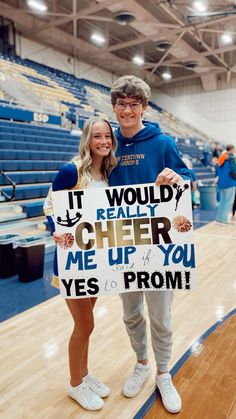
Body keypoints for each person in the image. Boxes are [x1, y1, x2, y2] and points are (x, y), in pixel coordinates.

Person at [109, 75, 192, 414]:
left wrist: (179, 177)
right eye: (121, 103)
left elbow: (188, 177)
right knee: (131, 314)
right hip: (121, 244)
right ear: (114, 107)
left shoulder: (163, 143)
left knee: (161, 316)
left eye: (134, 104)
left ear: (144, 107)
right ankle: (142, 362)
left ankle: (163, 372)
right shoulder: (105, 142)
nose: (127, 110)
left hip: (159, 245)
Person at [44, 117, 117, 411]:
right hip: (73, 262)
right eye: (97, 136)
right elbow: (49, 205)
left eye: (107, 136)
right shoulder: (70, 170)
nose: (103, 141)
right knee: (84, 323)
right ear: (87, 138)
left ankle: (84, 375)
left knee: (88, 324)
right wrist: (56, 229)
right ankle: (75, 384)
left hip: (96, 258)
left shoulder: (109, 173)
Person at [216, 144, 236, 224]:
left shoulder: (221, 158)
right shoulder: (231, 159)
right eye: (234, 149)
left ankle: (219, 219)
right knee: (228, 202)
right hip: (230, 183)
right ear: (231, 149)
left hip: (222, 183)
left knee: (222, 201)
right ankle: (224, 220)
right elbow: (233, 171)